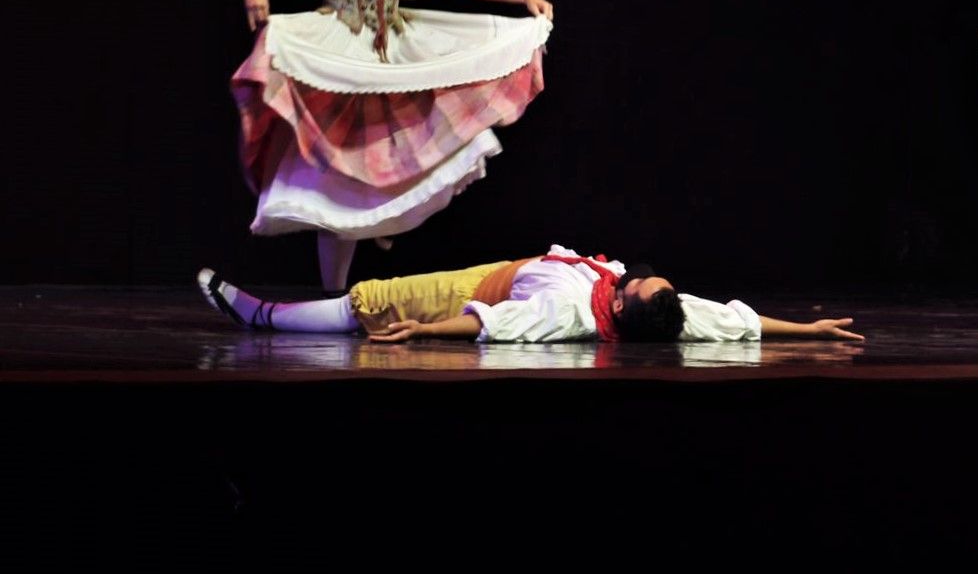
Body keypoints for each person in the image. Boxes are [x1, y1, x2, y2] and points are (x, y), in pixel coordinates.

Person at [233, 0, 555, 291]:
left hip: (396, 54)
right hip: (345, 54)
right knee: (343, 183)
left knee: (396, 169)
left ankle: (370, 245)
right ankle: (334, 292)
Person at [195, 245, 864, 344]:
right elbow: (738, 323)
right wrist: (805, 332)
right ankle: (266, 315)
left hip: (484, 285)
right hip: (516, 264)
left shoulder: (570, 311)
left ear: (626, 308)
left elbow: (493, 322)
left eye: (636, 285)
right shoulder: (674, 311)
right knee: (374, 298)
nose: (634, 277)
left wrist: (428, 331)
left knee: (373, 299)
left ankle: (263, 317)